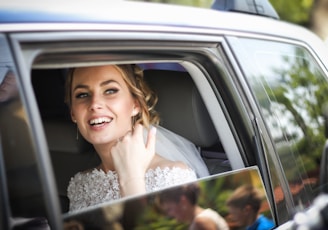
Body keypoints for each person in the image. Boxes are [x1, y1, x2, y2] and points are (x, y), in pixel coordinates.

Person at [65, 64, 209, 211]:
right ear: (73, 113)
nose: (95, 104)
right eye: (82, 95)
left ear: (136, 104)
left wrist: (131, 182)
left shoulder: (173, 177)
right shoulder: (80, 184)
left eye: (110, 91)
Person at [158, 183, 229, 230]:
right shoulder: (202, 217)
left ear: (183, 201)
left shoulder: (201, 222)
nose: (170, 214)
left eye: (169, 209)